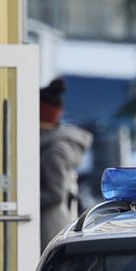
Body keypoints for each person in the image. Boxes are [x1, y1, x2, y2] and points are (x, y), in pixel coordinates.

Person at [39, 78, 93, 249]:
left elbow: (55, 194)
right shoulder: (56, 145)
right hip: (54, 225)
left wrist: (24, 199)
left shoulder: (54, 151)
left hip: (48, 228)